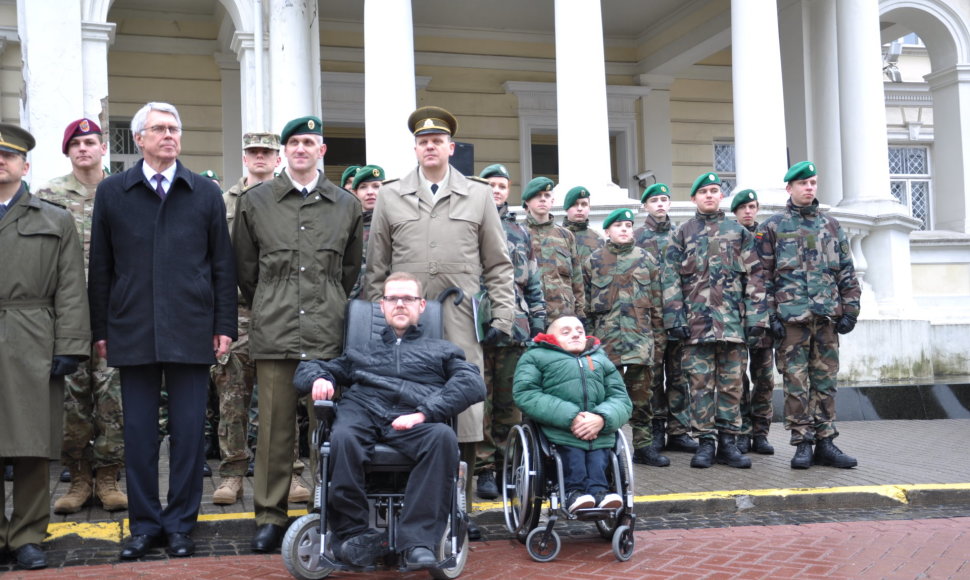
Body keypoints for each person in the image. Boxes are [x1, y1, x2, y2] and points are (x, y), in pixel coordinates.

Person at [88, 102, 237, 560]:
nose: (169, 135)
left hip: (192, 328)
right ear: (139, 139)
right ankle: (144, 524)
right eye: (159, 129)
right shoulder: (114, 192)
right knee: (138, 434)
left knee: (190, 434)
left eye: (175, 129)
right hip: (132, 328)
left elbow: (221, 265)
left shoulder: (205, 192)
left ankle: (180, 526)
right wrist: (100, 329)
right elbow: (102, 268)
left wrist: (224, 325)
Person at [365, 106, 515, 525]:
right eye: (423, 141)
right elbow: (377, 266)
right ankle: (406, 508)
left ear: (451, 148)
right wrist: (376, 322)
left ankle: (460, 509)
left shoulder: (478, 194)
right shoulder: (392, 195)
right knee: (404, 406)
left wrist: (502, 316)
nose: (430, 147)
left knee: (464, 413)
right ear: (415, 148)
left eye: (437, 141)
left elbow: (498, 264)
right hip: (404, 322)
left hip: (459, 320)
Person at [293, 272, 486, 570]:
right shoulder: (359, 352)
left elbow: (472, 384)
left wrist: (424, 412)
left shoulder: (443, 350)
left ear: (421, 306)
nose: (399, 304)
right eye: (392, 298)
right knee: (341, 437)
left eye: (407, 298)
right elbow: (310, 368)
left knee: (442, 438)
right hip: (363, 410)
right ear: (381, 306)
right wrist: (319, 378)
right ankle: (355, 534)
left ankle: (418, 542)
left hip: (415, 415)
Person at [234, 115, 363, 553]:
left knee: (327, 430)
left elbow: (348, 271)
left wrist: (326, 303)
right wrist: (274, 302)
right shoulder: (256, 202)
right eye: (294, 143)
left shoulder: (346, 205)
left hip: (327, 336)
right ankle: (270, 515)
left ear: (322, 150)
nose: (301, 149)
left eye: (310, 142)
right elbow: (246, 271)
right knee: (273, 430)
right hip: (275, 330)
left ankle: (327, 509)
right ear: (284, 151)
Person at [0, 124, 89, 570]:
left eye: (9, 155)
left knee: (32, 443)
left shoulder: (53, 219)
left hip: (33, 336)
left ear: (25, 165)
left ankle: (28, 534)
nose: (1, 161)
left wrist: (70, 345)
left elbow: (71, 287)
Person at [35, 118, 127, 514]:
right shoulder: (48, 196)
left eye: (90, 142)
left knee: (113, 399)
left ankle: (108, 477)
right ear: (67, 152)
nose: (84, 149)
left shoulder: (124, 191)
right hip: (66, 316)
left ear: (103, 147)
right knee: (71, 402)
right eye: (76, 144)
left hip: (116, 314)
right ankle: (78, 478)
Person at [756, 161, 861, 470]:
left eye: (813, 182)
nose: (809, 187)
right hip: (791, 321)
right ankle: (802, 443)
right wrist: (769, 316)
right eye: (803, 183)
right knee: (796, 383)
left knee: (826, 382)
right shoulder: (773, 227)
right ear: (790, 188)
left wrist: (851, 308)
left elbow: (846, 271)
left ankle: (826, 442)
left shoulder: (831, 225)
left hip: (827, 319)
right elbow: (761, 276)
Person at [663, 172, 768, 469]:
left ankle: (728, 443)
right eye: (703, 192)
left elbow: (755, 277)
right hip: (695, 326)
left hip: (733, 325)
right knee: (699, 386)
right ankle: (705, 443)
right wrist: (674, 317)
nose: (709, 195)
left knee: (732, 385)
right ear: (694, 198)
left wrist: (756, 318)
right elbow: (670, 277)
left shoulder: (738, 232)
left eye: (714, 190)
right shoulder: (682, 233)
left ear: (721, 196)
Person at [211, 131, 285, 505]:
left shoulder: (290, 200)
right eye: (253, 152)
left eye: (267, 152)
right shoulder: (223, 201)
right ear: (245, 158)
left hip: (280, 311)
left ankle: (290, 473)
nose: (260, 157)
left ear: (278, 158)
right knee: (232, 398)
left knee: (280, 400)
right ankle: (232, 475)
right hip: (237, 312)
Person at [474, 163, 546, 500]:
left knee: (509, 402)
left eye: (502, 185)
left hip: (515, 328)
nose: (497, 190)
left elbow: (533, 283)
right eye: (491, 184)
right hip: (477, 326)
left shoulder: (521, 233)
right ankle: (483, 468)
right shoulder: (468, 224)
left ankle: (507, 463)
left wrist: (540, 323)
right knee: (479, 401)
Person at [513, 316, 632, 513]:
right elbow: (526, 393)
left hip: (598, 431)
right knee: (572, 455)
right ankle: (572, 493)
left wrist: (602, 418)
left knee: (600, 456)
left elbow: (621, 398)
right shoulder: (536, 356)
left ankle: (600, 493)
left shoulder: (600, 359)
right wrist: (572, 417)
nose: (576, 334)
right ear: (550, 338)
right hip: (559, 429)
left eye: (580, 330)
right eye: (566, 332)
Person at [584, 208, 668, 467]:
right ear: (607, 231)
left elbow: (656, 305)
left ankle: (643, 447)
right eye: (618, 225)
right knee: (606, 398)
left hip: (640, 342)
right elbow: (585, 307)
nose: (624, 229)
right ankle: (606, 449)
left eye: (628, 225)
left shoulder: (646, 260)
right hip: (605, 345)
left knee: (643, 398)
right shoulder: (594, 261)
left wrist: (658, 342)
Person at [633, 183, 698, 455]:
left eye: (664, 199)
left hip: (680, 316)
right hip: (650, 318)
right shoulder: (636, 237)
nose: (660, 204)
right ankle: (656, 428)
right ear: (645, 206)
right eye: (654, 200)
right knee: (652, 377)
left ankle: (679, 430)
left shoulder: (680, 234)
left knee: (679, 375)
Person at [730, 189, 775, 456]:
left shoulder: (766, 237)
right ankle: (742, 432)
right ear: (735, 212)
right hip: (734, 318)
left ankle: (761, 433)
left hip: (763, 318)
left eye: (752, 206)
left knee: (764, 378)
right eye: (743, 207)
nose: (749, 211)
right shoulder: (728, 237)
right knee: (737, 379)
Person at [521, 176, 585, 320]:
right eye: (537, 195)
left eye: (547, 195)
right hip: (530, 316)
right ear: (527, 201)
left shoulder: (566, 236)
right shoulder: (519, 234)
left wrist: (580, 314)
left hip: (563, 316)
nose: (543, 199)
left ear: (552, 201)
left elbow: (577, 280)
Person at [348, 164, 384, 300]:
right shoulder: (348, 226)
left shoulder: (395, 224)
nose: (370, 192)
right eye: (363, 187)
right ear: (355, 192)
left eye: (376, 186)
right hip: (353, 301)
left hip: (387, 302)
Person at [561, 185, 604, 265]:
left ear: (589, 208)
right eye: (575, 204)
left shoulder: (599, 239)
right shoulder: (556, 236)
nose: (580, 209)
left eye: (584, 204)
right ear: (566, 208)